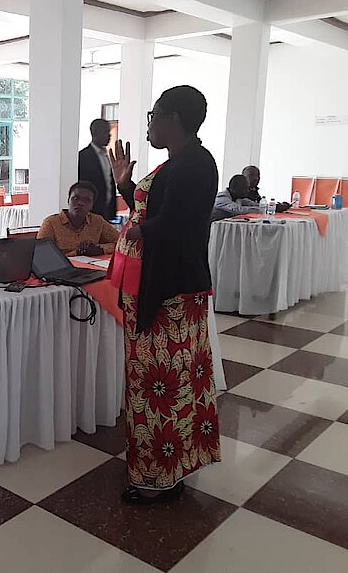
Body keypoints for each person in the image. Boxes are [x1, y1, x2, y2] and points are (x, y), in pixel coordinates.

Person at [108, 85, 221, 504]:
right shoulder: (180, 162)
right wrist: (126, 186)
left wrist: (136, 232)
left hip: (170, 292)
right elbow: (157, 212)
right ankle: (166, 470)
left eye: (153, 115)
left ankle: (158, 477)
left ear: (173, 118)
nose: (149, 125)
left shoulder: (194, 164)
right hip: (164, 286)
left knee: (161, 385)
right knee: (161, 383)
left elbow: (174, 225)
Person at [37, 181, 120, 256]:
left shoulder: (97, 221)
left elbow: (121, 243)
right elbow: (41, 254)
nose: (80, 203)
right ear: (68, 201)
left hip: (90, 265)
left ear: (92, 206)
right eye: (76, 198)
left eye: (87, 200)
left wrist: (100, 249)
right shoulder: (51, 223)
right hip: (61, 267)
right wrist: (77, 252)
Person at [78, 118, 117, 220]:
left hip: (106, 212)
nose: (109, 135)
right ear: (95, 133)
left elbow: (109, 184)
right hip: (90, 212)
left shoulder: (106, 156)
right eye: (105, 132)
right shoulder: (83, 157)